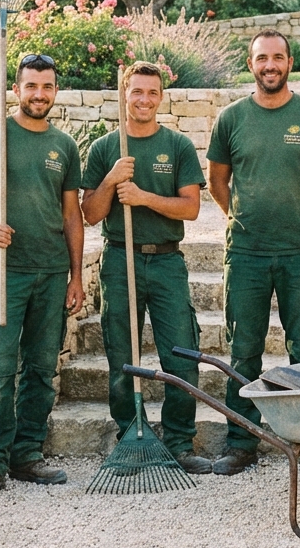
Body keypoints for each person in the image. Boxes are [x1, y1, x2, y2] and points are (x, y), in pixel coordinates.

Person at [206, 29, 300, 476]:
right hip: (246, 252)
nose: (270, 65)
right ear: (251, 65)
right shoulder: (231, 118)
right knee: (244, 349)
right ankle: (240, 442)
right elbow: (217, 182)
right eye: (262, 58)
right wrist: (242, 219)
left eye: (278, 57)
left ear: (289, 63)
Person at [0, 53, 85, 500]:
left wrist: (75, 276)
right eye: (31, 86)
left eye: (47, 87)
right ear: (16, 90)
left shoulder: (64, 146)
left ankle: (27, 454)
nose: (39, 94)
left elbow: (72, 216)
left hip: (51, 272)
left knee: (40, 368)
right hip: (6, 272)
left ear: (55, 91)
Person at [80, 61, 212, 475]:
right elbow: (89, 214)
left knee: (181, 354)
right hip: (121, 258)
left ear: (161, 97)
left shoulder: (177, 146)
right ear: (124, 94)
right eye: (136, 91)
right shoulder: (105, 149)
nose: (144, 99)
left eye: (152, 93)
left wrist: (142, 196)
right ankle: (131, 436)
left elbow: (190, 208)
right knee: (123, 352)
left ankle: (178, 441)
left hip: (168, 261)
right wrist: (110, 182)